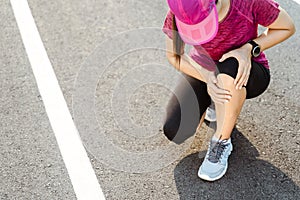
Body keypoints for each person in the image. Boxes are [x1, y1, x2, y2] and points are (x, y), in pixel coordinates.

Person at [161, 0, 295, 181]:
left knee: (228, 71)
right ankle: (216, 101)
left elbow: (287, 27)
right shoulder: (180, 10)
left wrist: (249, 49)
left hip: (245, 69)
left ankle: (221, 141)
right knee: (175, 130)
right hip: (205, 69)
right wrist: (208, 77)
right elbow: (174, 56)